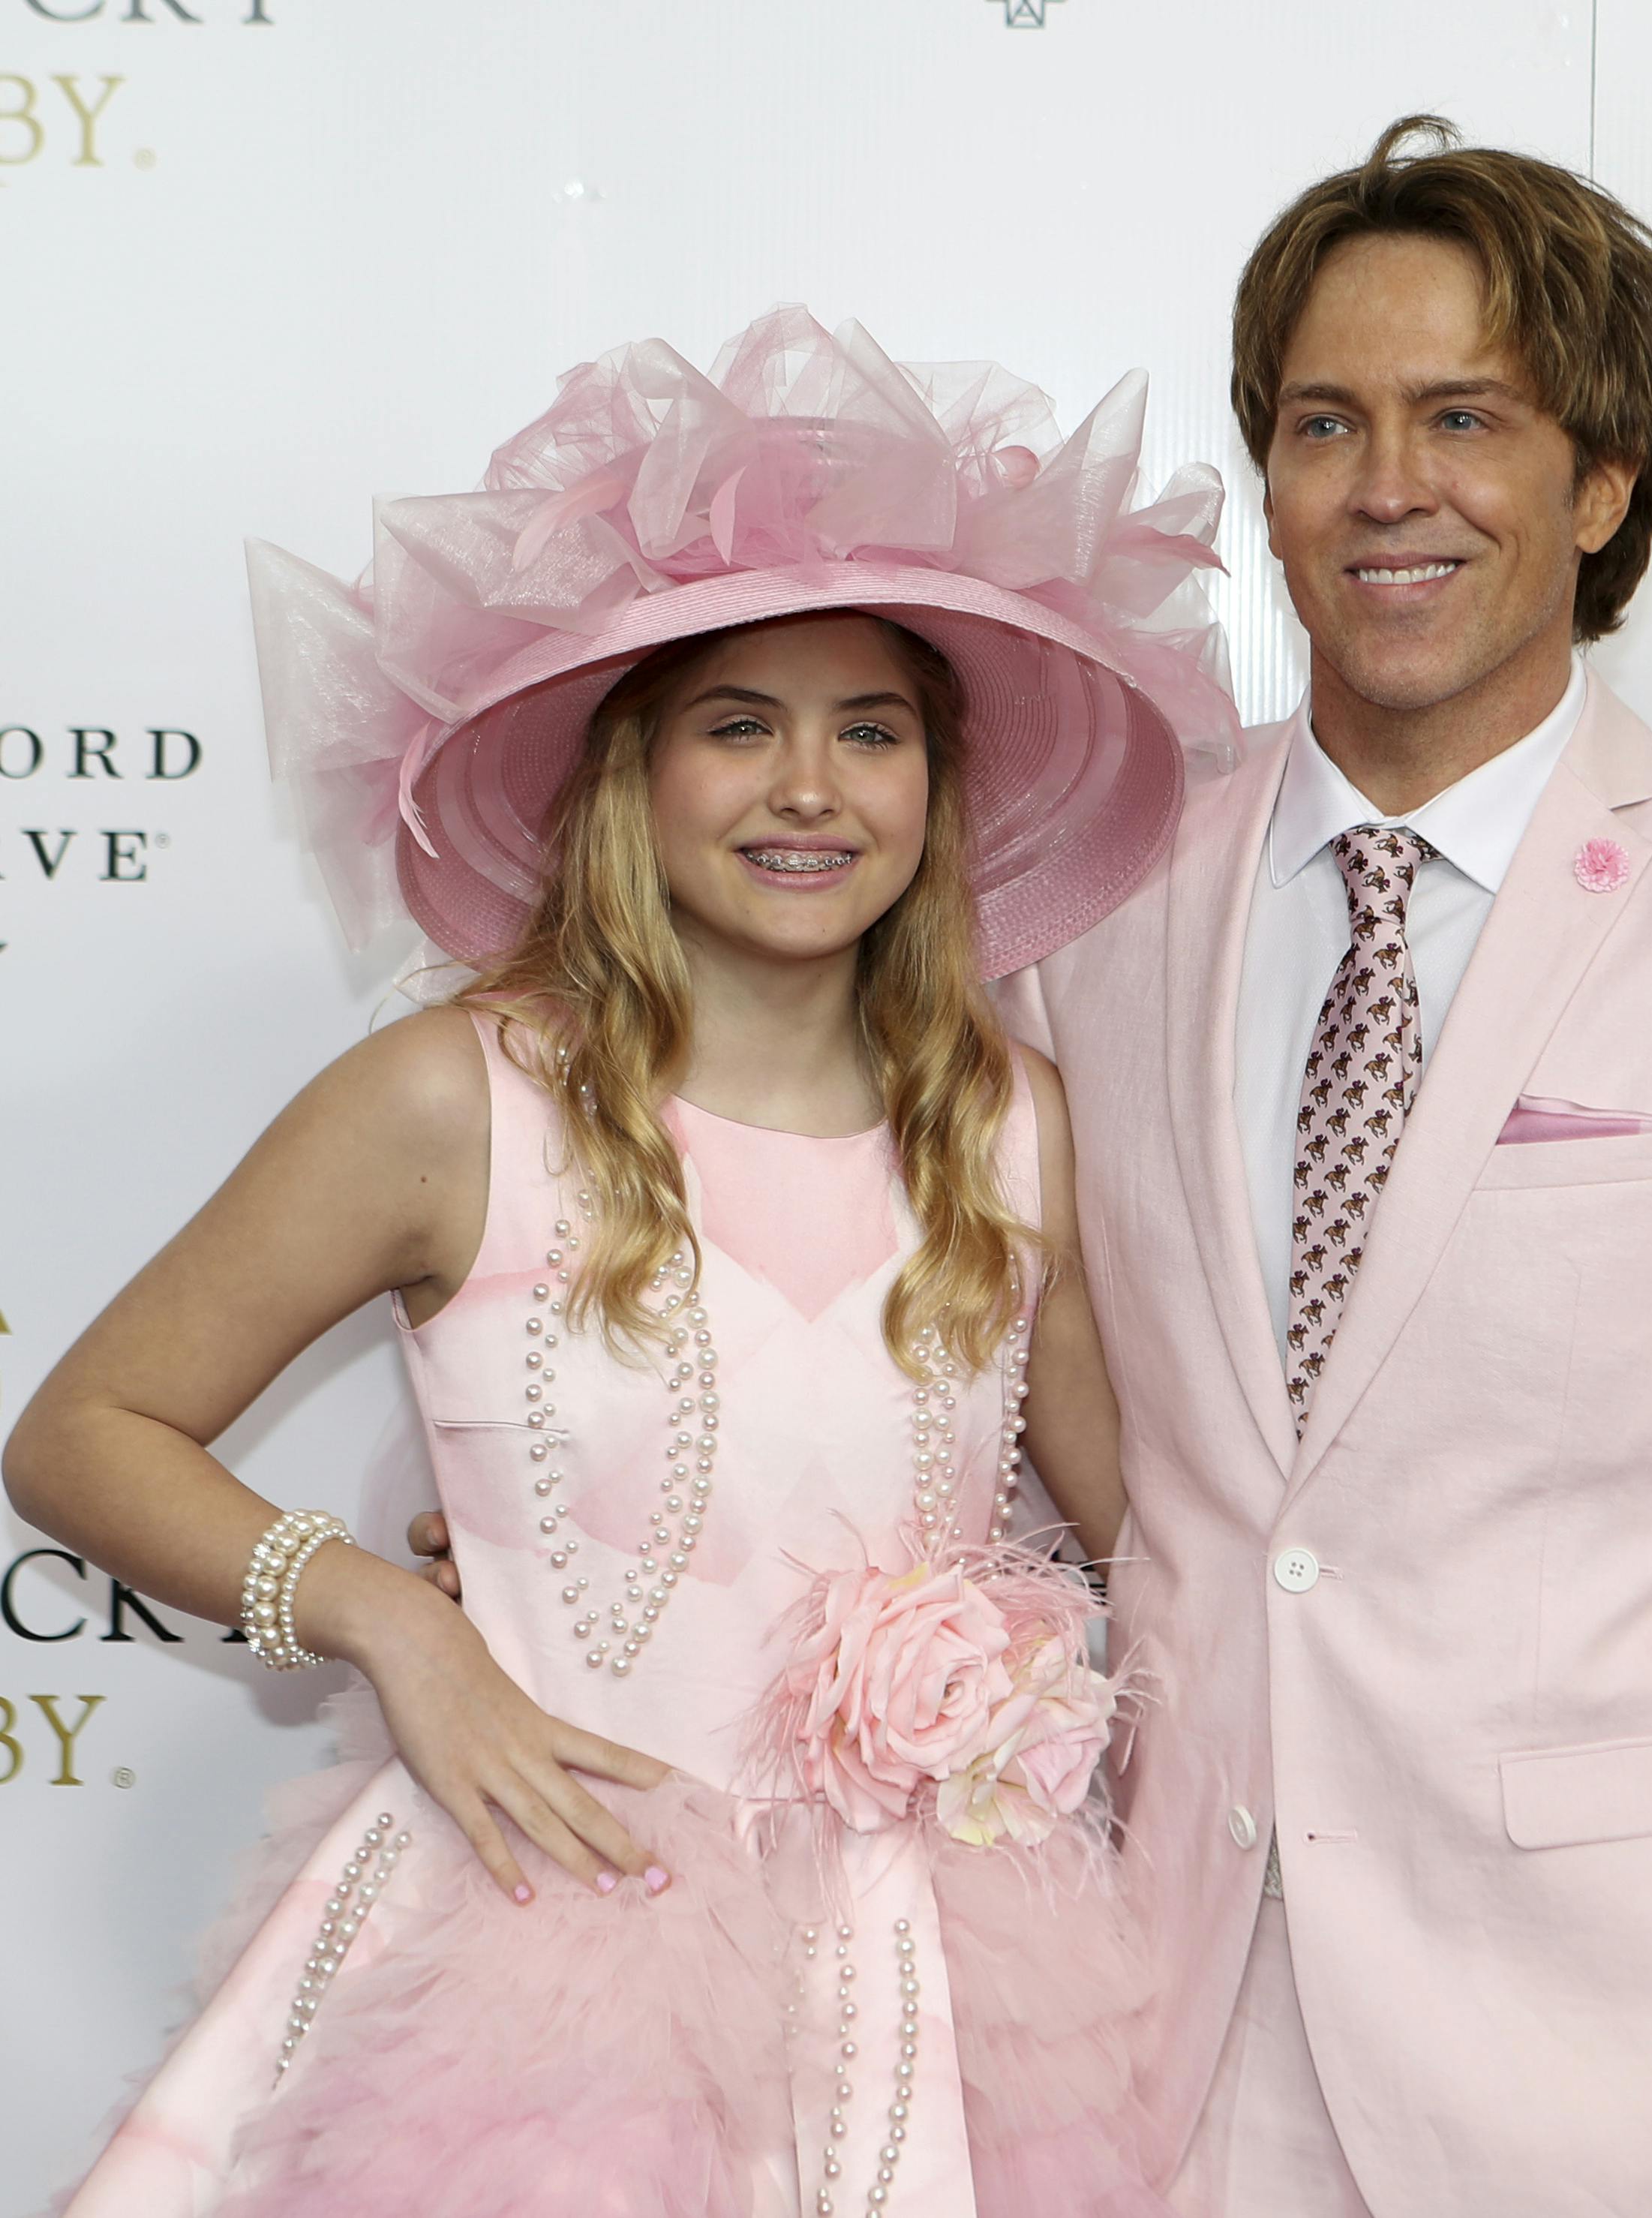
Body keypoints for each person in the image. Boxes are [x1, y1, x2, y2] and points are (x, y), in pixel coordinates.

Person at [3, 307, 1239, 2218]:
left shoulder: (1012, 1124)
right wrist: (391, 1616)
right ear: (626, 776)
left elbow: (1156, 1533)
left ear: (942, 783)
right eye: (737, 724)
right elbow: (84, 1428)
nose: (809, 786)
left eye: (872, 729)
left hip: (935, 1989)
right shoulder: (455, 1096)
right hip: (546, 1940)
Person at [993, 118, 1652, 2218]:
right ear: (1262, 480)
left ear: (1602, 480)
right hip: (1143, 2066)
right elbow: (989, 1416)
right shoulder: (1089, 894)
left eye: (1466, 416)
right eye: (1323, 421)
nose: (1389, 484)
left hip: (1605, 2095)